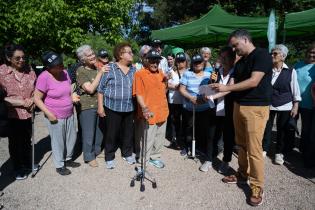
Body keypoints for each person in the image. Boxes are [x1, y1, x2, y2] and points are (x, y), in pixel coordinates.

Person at [211, 29, 272, 206]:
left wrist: (226, 89)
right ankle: (243, 174)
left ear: (245, 39)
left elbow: (254, 81)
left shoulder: (261, 55)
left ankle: (257, 185)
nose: (234, 49)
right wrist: (218, 88)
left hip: (256, 107)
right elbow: (232, 84)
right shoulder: (241, 61)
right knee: (242, 145)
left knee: (254, 149)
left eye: (236, 45)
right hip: (239, 106)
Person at [34, 51, 81, 176]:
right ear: (48, 68)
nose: (61, 66)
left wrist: (72, 97)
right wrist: (49, 114)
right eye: (57, 65)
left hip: (69, 113)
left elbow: (68, 90)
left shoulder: (65, 73)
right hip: (54, 115)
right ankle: (59, 165)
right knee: (58, 141)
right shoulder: (44, 77)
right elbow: (37, 99)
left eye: (61, 63)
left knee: (71, 138)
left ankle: (68, 159)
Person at [97, 42, 136, 169]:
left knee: (128, 132)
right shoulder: (110, 68)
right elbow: (101, 89)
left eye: (131, 52)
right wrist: (100, 107)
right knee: (111, 133)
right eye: (129, 52)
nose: (132, 54)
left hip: (129, 107)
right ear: (120, 54)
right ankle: (109, 156)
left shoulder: (134, 70)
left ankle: (127, 153)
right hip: (112, 107)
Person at [0, 44, 36, 180]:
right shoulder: (1, 72)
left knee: (27, 139)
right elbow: (1, 97)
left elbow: (36, 90)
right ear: (9, 58)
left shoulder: (29, 70)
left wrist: (32, 100)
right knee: (14, 141)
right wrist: (21, 102)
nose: (22, 60)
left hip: (28, 111)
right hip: (11, 112)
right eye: (17, 58)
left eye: (23, 57)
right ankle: (17, 167)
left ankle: (27, 163)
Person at [262, 44, 301, 164]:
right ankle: (264, 149)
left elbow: (295, 89)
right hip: (269, 104)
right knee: (266, 128)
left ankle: (279, 153)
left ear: (283, 57)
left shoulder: (290, 71)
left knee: (282, 130)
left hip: (285, 104)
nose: (272, 55)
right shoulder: (267, 70)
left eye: (275, 54)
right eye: (271, 53)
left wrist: (295, 105)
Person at [179, 54, 216, 172]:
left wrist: (203, 99)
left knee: (202, 129)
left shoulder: (208, 74)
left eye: (199, 62)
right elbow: (181, 89)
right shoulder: (187, 74)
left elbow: (211, 89)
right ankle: (187, 147)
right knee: (188, 128)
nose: (197, 64)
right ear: (192, 64)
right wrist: (191, 98)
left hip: (205, 107)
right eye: (195, 63)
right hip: (190, 107)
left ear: (203, 63)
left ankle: (200, 148)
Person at [133, 49, 169, 169]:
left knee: (159, 137)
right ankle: (144, 160)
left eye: (157, 62)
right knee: (147, 138)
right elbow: (138, 94)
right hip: (149, 112)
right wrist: (144, 108)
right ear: (147, 61)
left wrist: (167, 82)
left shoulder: (161, 73)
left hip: (162, 110)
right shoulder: (139, 74)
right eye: (152, 61)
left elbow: (165, 90)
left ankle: (155, 157)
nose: (155, 64)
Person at [75, 45, 107, 167]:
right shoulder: (81, 70)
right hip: (87, 105)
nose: (93, 56)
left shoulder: (97, 67)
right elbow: (90, 88)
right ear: (83, 59)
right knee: (88, 132)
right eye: (89, 55)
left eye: (93, 53)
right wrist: (100, 73)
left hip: (100, 103)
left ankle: (96, 151)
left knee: (100, 130)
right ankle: (88, 156)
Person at [206, 46, 236, 174]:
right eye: (221, 57)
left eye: (225, 57)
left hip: (230, 109)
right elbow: (210, 84)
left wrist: (213, 95)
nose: (222, 60)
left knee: (228, 137)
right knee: (211, 135)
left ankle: (226, 161)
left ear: (232, 58)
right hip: (214, 108)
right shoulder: (216, 71)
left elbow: (229, 89)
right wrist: (207, 91)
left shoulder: (236, 72)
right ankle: (208, 159)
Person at [295, 42, 315, 168]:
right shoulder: (298, 65)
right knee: (290, 126)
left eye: (314, 53)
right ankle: (287, 147)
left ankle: (304, 150)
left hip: (310, 104)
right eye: (310, 52)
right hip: (295, 102)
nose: (311, 54)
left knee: (306, 129)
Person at [166, 52, 188, 149]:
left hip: (186, 101)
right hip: (174, 101)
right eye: (178, 61)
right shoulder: (171, 71)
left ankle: (184, 140)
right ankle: (175, 140)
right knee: (175, 121)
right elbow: (167, 84)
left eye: (182, 61)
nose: (179, 63)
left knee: (185, 121)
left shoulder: (189, 72)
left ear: (186, 62)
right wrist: (178, 87)